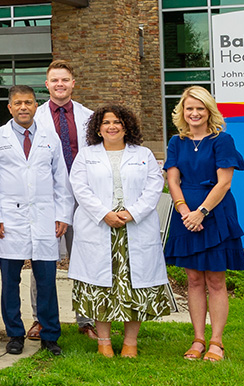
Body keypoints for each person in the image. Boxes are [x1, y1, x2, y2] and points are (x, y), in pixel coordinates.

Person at [69, 105, 176, 358]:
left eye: (117, 122)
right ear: (98, 128)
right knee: (100, 286)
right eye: (106, 122)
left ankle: (130, 342)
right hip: (99, 225)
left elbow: (154, 186)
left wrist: (133, 213)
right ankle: (104, 342)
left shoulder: (144, 154)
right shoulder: (86, 155)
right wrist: (104, 213)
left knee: (133, 286)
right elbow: (80, 188)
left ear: (126, 126)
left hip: (134, 226)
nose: (112, 127)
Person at [0, 85, 72, 357]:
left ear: (36, 106)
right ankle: (15, 334)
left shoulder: (49, 137)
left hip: (44, 218)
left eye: (29, 102)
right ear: (10, 107)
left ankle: (50, 335)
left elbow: (61, 179)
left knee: (46, 281)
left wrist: (62, 214)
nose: (23, 107)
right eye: (18, 103)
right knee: (10, 281)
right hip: (10, 219)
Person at [164, 86, 244, 362]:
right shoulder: (176, 142)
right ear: (182, 112)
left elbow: (224, 182)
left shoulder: (222, 140)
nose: (195, 113)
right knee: (193, 279)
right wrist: (185, 212)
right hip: (185, 215)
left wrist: (201, 212)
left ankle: (216, 342)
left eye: (200, 108)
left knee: (215, 279)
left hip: (215, 213)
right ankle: (198, 339)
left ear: (209, 111)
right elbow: (172, 180)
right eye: (189, 108)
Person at [26, 59, 98, 341]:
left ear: (73, 83)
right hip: (46, 200)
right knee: (42, 261)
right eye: (54, 80)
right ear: (47, 85)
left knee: (86, 259)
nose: (60, 84)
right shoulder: (35, 118)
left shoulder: (90, 117)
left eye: (64, 80)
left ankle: (87, 320)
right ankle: (41, 320)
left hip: (83, 199)